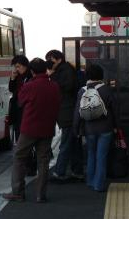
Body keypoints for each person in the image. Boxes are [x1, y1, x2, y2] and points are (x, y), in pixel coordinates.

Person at [3, 58, 61, 203]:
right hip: (47, 128)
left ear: (32, 71)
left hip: (29, 128)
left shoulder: (29, 85)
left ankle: (18, 192)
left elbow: (20, 101)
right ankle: (41, 194)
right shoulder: (54, 86)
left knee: (19, 158)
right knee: (43, 161)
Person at [72, 64, 119, 192]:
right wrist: (116, 126)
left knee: (91, 154)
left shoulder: (82, 91)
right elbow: (115, 110)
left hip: (89, 129)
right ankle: (99, 185)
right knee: (101, 156)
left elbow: (77, 112)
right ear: (101, 75)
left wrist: (75, 129)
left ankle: (90, 181)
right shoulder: (106, 90)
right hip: (106, 128)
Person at [45, 49, 84, 181]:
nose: (49, 63)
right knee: (73, 144)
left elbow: (66, 87)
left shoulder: (65, 70)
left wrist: (51, 76)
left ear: (58, 59)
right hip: (68, 112)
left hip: (68, 112)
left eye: (51, 60)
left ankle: (59, 172)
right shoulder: (64, 70)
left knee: (66, 143)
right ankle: (77, 171)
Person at [8, 55, 37, 175]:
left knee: (25, 143)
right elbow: (11, 89)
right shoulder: (18, 77)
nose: (16, 69)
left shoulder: (30, 76)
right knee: (19, 139)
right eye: (15, 67)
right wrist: (13, 78)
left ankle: (30, 167)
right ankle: (26, 166)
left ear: (24, 65)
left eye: (18, 67)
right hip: (17, 113)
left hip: (26, 112)